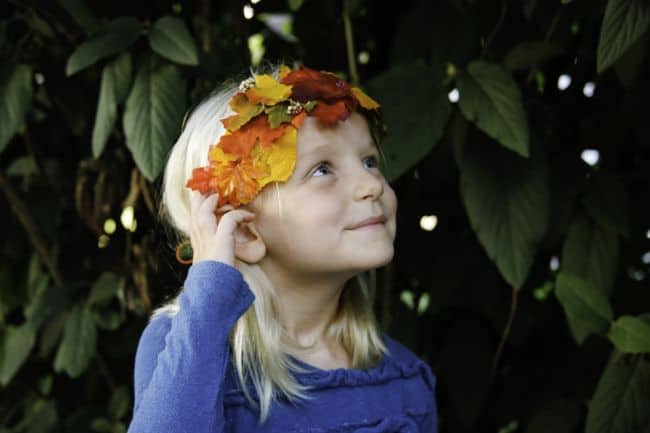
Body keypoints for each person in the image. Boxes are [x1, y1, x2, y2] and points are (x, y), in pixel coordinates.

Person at [126, 61, 439, 432]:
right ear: (243, 231)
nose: (371, 185)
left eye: (369, 161)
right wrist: (210, 286)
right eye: (322, 169)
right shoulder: (185, 351)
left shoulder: (403, 383)